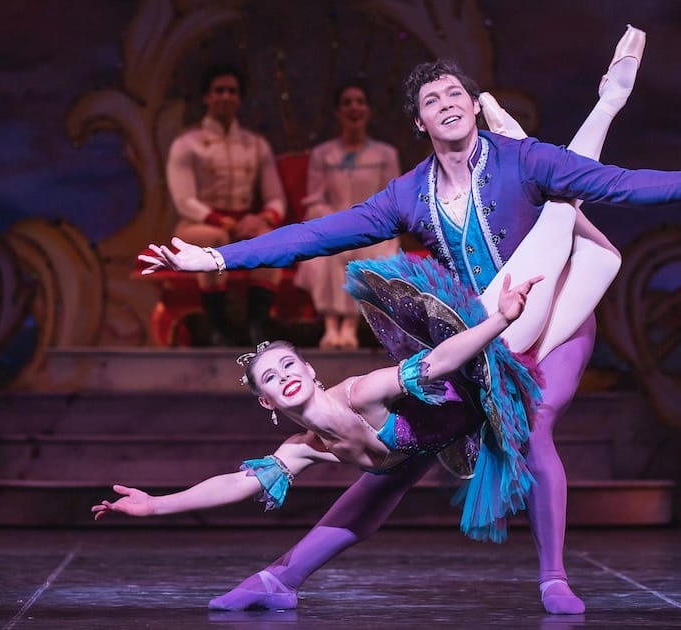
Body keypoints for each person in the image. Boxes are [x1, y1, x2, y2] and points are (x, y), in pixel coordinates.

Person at [141, 27, 681, 615]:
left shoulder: (522, 161)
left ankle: (553, 577)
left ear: (474, 106)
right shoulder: (407, 195)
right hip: (477, 334)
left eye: (456, 93)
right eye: (432, 99)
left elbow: (613, 182)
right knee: (395, 461)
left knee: (533, 420)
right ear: (419, 122)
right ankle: (281, 578)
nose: (446, 102)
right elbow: (317, 234)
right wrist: (217, 258)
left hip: (556, 315)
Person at [93, 268, 546, 609]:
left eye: (289, 365)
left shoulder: (362, 393)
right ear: (267, 401)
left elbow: (439, 363)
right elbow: (236, 483)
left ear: (310, 370)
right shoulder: (303, 446)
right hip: (436, 441)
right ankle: (277, 583)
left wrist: (501, 319)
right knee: (363, 512)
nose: (284, 376)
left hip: (489, 374)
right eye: (271, 378)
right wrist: (156, 505)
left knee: (573, 249)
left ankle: (554, 577)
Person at [166, 64, 288, 345]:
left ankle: (258, 326)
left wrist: (263, 219)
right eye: (219, 91)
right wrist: (222, 222)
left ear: (239, 98)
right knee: (216, 239)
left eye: (232, 91)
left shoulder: (256, 145)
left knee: (271, 241)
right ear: (206, 97)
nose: (225, 97)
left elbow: (276, 198)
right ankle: (217, 327)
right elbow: (184, 201)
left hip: (244, 225)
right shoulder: (187, 144)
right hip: (197, 225)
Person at [294, 83, 401, 349]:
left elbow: (393, 198)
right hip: (333, 224)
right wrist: (336, 222)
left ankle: (351, 325)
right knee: (330, 251)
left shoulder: (385, 154)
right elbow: (315, 198)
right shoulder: (323, 154)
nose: (354, 107)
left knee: (370, 250)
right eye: (347, 102)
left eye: (360, 102)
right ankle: (331, 325)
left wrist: (366, 223)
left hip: (373, 226)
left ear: (369, 110)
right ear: (338, 112)